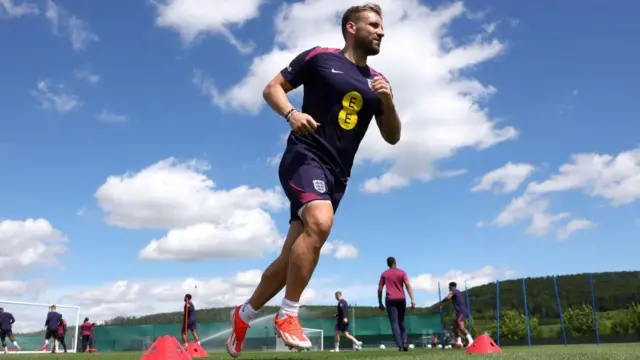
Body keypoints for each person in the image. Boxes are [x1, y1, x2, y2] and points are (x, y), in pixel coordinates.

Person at [225, 3, 401, 357]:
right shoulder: (320, 57)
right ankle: (288, 313)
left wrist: (388, 101)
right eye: (374, 24)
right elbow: (272, 88)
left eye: (382, 26)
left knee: (291, 256)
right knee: (321, 223)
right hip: (304, 156)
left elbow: (393, 137)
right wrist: (291, 114)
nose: (382, 31)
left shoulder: (377, 82)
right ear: (351, 27)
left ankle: (243, 315)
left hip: (338, 175)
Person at [378, 256, 415, 351]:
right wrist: (412, 299)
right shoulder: (402, 272)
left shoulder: (384, 274)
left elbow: (380, 289)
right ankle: (405, 342)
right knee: (401, 321)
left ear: (387, 264)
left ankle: (400, 345)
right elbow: (407, 285)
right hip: (401, 299)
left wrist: (380, 302)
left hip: (390, 300)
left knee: (394, 323)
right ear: (395, 262)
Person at [439, 281, 474, 348]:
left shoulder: (454, 291)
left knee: (461, 327)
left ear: (451, 287)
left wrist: (441, 302)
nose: (448, 288)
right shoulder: (457, 291)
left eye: (449, 287)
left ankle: (471, 342)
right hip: (459, 312)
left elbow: (448, 297)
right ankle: (459, 342)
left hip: (461, 311)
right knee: (455, 328)